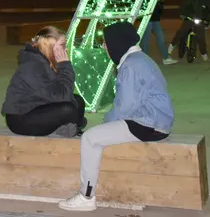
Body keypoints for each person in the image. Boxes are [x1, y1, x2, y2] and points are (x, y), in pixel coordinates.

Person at [58, 22, 174, 211]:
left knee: (90, 138)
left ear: (117, 43)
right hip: (157, 121)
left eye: (106, 42)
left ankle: (86, 197)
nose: (104, 47)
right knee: (99, 134)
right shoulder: (141, 59)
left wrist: (105, 124)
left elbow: (124, 108)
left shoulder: (130, 66)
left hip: (148, 124)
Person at [2, 26, 87, 138]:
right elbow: (63, 96)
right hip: (20, 118)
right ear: (49, 46)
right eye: (62, 45)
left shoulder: (45, 60)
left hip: (40, 105)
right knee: (68, 109)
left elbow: (62, 92)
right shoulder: (32, 66)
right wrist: (65, 65)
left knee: (78, 101)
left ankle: (68, 125)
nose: (65, 49)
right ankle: (70, 124)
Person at [164, 0, 210, 64]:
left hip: (200, 21)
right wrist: (183, 15)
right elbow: (182, 7)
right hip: (189, 19)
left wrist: (207, 19)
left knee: (201, 38)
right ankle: (171, 46)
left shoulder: (206, 1)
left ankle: (204, 55)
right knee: (181, 32)